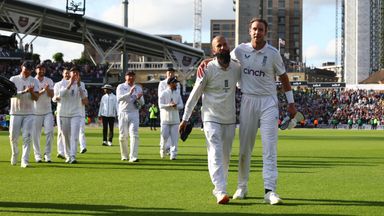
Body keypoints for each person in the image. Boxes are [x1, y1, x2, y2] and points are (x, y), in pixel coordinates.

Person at [230, 18, 297, 204]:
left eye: (260, 29)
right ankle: (242, 187)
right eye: (254, 29)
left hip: (268, 102)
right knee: (245, 148)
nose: (257, 32)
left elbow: (284, 78)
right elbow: (224, 61)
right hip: (248, 100)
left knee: (269, 148)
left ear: (265, 32)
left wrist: (291, 103)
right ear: (249, 30)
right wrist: (208, 60)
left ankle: (270, 191)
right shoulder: (239, 50)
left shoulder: (273, 53)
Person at [179, 36, 241, 204]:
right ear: (213, 51)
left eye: (224, 44)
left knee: (226, 157)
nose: (222, 47)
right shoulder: (207, 68)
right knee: (215, 153)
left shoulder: (237, 67)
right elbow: (195, 94)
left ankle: (222, 187)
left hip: (229, 119)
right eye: (218, 46)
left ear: (229, 47)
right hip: (211, 118)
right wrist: (185, 118)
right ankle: (220, 190)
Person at [9, 61, 39, 168]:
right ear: (22, 67)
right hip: (15, 112)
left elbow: (36, 98)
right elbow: (11, 94)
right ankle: (15, 153)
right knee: (13, 137)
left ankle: (24, 160)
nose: (27, 71)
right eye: (26, 68)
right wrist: (25, 91)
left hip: (29, 113)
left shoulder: (34, 81)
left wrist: (31, 92)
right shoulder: (13, 79)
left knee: (27, 137)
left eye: (30, 69)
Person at [55, 66, 87, 164]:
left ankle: (73, 156)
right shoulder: (61, 84)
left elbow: (85, 100)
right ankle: (67, 155)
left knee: (74, 136)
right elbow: (60, 95)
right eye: (73, 73)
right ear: (70, 74)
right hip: (63, 113)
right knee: (65, 136)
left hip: (76, 114)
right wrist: (70, 83)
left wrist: (79, 86)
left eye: (77, 73)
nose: (75, 75)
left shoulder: (81, 85)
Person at [116, 71, 144, 162]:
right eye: (129, 76)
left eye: (132, 76)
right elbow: (119, 98)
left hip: (134, 113)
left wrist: (139, 98)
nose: (131, 78)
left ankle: (133, 156)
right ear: (125, 77)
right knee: (122, 136)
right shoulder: (121, 87)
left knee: (134, 134)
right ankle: (124, 155)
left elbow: (142, 103)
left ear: (134, 77)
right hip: (123, 113)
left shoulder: (138, 88)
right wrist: (129, 93)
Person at [32, 63, 54, 163]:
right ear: (36, 70)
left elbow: (52, 95)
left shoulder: (49, 80)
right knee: (35, 135)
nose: (41, 71)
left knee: (49, 132)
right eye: (39, 69)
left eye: (43, 69)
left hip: (47, 111)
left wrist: (47, 89)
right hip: (35, 112)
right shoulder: (32, 81)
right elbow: (34, 97)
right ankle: (37, 155)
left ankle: (47, 154)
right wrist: (42, 91)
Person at [159, 77, 184, 160]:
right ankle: (162, 151)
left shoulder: (177, 93)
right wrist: (169, 105)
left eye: (176, 83)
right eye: (174, 83)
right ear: (169, 84)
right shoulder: (163, 93)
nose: (176, 84)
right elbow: (160, 105)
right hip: (165, 120)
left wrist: (176, 106)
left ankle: (173, 155)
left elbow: (181, 105)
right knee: (164, 137)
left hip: (175, 120)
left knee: (175, 139)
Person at [52, 67, 71, 159]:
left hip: (71, 111)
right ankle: (61, 152)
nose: (67, 75)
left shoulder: (75, 84)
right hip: (61, 110)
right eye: (65, 73)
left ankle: (69, 151)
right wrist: (56, 98)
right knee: (61, 131)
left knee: (69, 133)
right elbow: (54, 97)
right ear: (63, 74)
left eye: (68, 73)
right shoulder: (58, 84)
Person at [78, 88, 89, 153]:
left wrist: (82, 99)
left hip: (81, 114)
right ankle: (70, 149)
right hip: (71, 114)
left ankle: (83, 147)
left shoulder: (84, 89)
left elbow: (86, 102)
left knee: (81, 131)